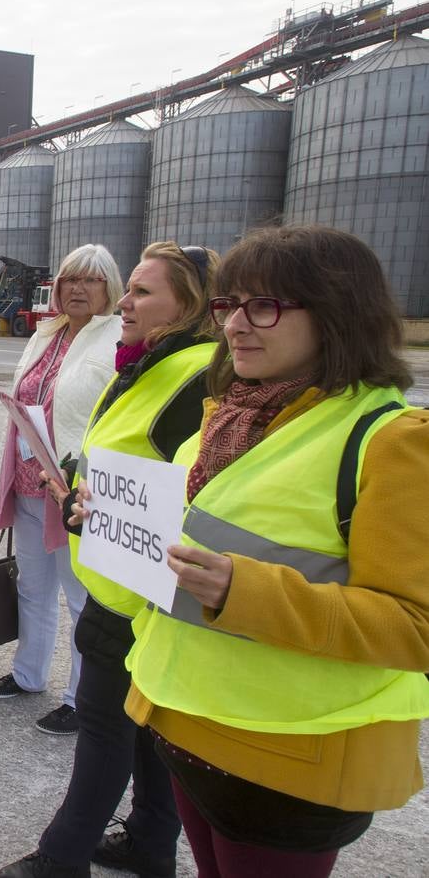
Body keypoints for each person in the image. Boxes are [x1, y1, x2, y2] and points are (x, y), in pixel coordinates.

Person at [113, 226, 429, 878]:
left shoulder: (393, 440)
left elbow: (415, 627)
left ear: (339, 312)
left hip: (289, 755)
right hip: (186, 721)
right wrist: (113, 520)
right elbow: (194, 536)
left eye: (266, 306)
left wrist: (243, 593)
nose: (235, 326)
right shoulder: (229, 412)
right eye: (229, 305)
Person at [0, 240, 218, 878]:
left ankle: (61, 859)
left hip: (135, 592)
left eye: (143, 292)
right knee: (146, 730)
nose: (126, 301)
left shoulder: (193, 375)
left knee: (103, 727)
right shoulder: (151, 361)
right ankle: (149, 843)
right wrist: (78, 480)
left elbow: (188, 488)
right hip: (121, 574)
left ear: (189, 304)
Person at [0, 244, 124, 737]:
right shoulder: (47, 333)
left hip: (74, 487)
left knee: (81, 595)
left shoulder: (116, 339)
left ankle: (81, 699)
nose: (78, 289)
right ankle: (28, 675)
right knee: (32, 585)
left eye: (91, 280)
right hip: (29, 478)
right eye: (69, 280)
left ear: (110, 288)